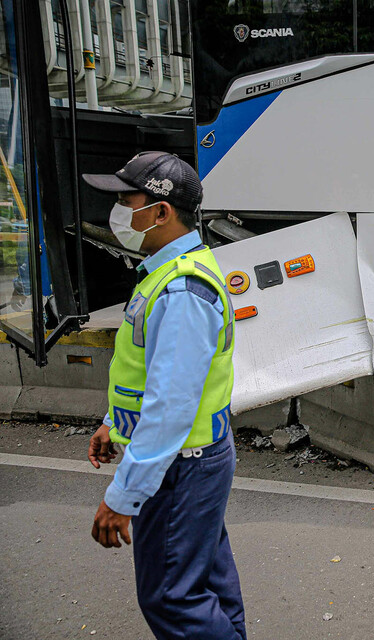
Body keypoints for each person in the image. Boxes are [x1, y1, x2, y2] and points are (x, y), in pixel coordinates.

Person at [82, 151, 245, 639]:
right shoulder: (169, 272)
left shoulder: (180, 291)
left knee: (173, 598)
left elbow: (171, 407)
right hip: (193, 458)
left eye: (125, 199)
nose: (117, 211)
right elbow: (151, 374)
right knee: (207, 586)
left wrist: (124, 495)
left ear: (160, 212)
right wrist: (117, 422)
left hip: (183, 466)